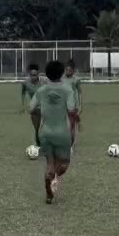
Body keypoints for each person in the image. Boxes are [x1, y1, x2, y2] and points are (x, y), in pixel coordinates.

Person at [30, 60, 78, 202]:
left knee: (50, 163)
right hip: (62, 133)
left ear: (47, 74)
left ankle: (49, 192)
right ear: (62, 73)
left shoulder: (41, 90)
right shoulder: (67, 90)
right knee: (64, 163)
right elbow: (71, 111)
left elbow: (31, 108)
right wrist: (73, 130)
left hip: (45, 132)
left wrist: (42, 115)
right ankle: (53, 177)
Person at [20, 63, 43, 148]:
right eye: (32, 75)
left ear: (38, 74)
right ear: (29, 75)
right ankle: (38, 144)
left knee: (44, 127)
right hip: (34, 109)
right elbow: (23, 93)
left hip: (44, 108)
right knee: (36, 127)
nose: (34, 77)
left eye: (35, 75)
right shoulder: (25, 83)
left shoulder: (43, 83)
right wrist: (23, 105)